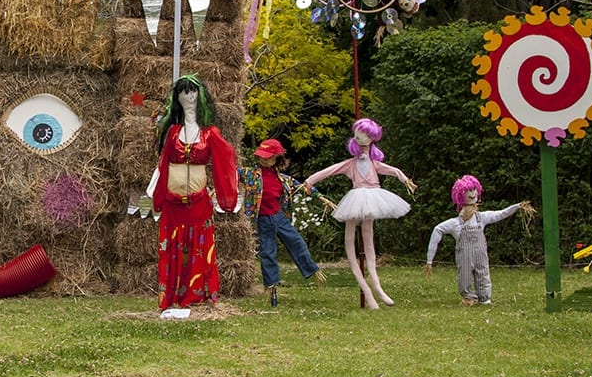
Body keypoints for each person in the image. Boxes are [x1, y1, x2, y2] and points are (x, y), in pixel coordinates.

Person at [148, 74, 240, 318]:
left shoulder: (210, 134)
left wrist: (227, 194)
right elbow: (162, 164)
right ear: (177, 97)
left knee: (198, 248)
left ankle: (197, 295)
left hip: (198, 201)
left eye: (192, 92)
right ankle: (173, 297)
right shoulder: (172, 132)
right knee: (174, 248)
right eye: (183, 92)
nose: (188, 97)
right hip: (172, 202)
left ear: (200, 96)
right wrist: (156, 196)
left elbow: (226, 159)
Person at [304, 118, 416, 309]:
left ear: (372, 138)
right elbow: (331, 170)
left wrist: (404, 180)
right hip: (355, 199)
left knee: (368, 238)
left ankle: (378, 287)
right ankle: (367, 290)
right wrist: (310, 181)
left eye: (364, 134)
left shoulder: (374, 164)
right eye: (358, 132)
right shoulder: (350, 164)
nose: (360, 136)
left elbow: (392, 170)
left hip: (372, 196)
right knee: (349, 241)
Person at [425, 175, 532, 306]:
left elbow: (500, 213)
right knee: (464, 275)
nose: (472, 193)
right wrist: (429, 260)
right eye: (468, 191)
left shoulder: (482, 217)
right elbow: (438, 230)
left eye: (474, 189)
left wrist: (517, 207)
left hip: (481, 254)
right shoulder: (456, 223)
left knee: (483, 272)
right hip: (464, 255)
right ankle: (469, 296)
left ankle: (485, 297)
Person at [251, 138, 322, 307]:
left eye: (269, 157)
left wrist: (319, 196)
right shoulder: (251, 175)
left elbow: (301, 187)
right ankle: (271, 287)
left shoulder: (283, 179)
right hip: (263, 219)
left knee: (296, 242)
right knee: (268, 252)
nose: (265, 160)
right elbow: (232, 175)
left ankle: (312, 270)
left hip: (279, 217)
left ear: (277, 158)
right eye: (262, 157)